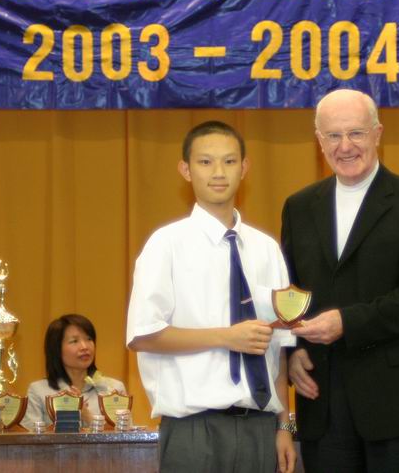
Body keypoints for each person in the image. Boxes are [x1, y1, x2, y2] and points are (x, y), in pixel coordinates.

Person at [281, 89, 399, 472]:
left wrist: (346, 322)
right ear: (319, 140)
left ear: (377, 134)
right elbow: (290, 293)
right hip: (322, 399)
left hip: (398, 404)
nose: (345, 146)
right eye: (333, 135)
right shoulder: (298, 207)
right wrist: (292, 352)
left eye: (356, 133)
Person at [126, 121, 296, 473]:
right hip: (193, 430)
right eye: (205, 162)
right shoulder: (166, 245)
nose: (218, 172)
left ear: (244, 168)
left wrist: (284, 426)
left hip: (260, 428)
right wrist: (225, 337)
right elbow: (143, 335)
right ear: (185, 170)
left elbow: (278, 347)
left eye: (229, 161)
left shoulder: (266, 249)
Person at [21, 314, 125, 430]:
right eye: (74, 341)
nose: (84, 347)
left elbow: (126, 437)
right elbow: (30, 438)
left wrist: (87, 417)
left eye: (89, 339)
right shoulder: (38, 391)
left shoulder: (114, 389)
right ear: (56, 349)